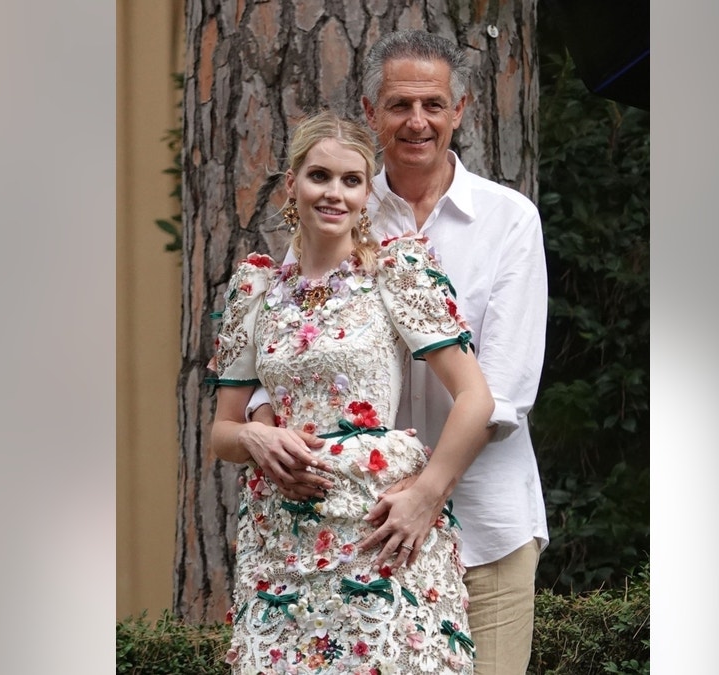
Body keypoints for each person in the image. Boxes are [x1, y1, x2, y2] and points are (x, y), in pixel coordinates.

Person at [242, 30, 551, 675]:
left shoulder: (508, 219)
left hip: (484, 522)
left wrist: (425, 491)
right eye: (399, 105)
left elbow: (505, 389)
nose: (417, 122)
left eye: (433, 105)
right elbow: (284, 349)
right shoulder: (336, 206)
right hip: (352, 532)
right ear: (369, 110)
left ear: (459, 112)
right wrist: (265, 434)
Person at [208, 110, 495, 674]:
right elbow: (222, 431)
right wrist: (252, 438)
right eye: (319, 176)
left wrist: (425, 496)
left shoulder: (395, 271)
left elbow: (476, 400)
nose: (334, 193)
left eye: (351, 180)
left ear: (367, 192)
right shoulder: (256, 291)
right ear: (291, 183)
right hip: (282, 539)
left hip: (381, 532)